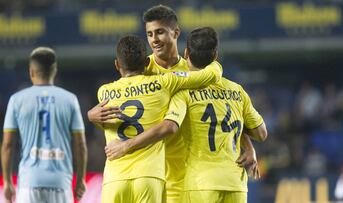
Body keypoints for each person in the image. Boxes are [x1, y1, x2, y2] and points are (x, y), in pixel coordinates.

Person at [87, 5, 259, 202]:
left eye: (160, 32)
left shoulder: (192, 68)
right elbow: (120, 102)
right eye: (149, 34)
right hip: (154, 170)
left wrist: (247, 145)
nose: (154, 40)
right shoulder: (143, 67)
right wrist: (91, 115)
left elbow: (223, 108)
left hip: (187, 175)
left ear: (176, 32)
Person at [98, 35, 222, 203]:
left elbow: (106, 124)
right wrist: (214, 63)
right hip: (149, 175)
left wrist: (91, 116)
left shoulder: (104, 93)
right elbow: (207, 76)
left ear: (117, 64)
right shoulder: (163, 83)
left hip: (115, 177)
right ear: (147, 63)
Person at [1, 47, 87, 203]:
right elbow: (80, 145)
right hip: (60, 182)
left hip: (29, 182)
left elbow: (8, 144)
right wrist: (80, 179)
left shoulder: (17, 100)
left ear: (31, 72)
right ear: (54, 70)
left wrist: (7, 182)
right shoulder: (70, 99)